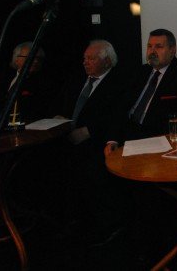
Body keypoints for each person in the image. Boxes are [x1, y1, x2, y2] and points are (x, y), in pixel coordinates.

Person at [55, 40, 129, 245]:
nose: (85, 62)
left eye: (91, 58)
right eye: (85, 58)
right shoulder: (76, 79)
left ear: (107, 61)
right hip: (67, 139)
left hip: (98, 142)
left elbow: (118, 116)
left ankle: (106, 227)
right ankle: (72, 223)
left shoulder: (119, 83)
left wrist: (90, 131)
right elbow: (63, 104)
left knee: (94, 177)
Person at [105, 28, 177, 151]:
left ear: (172, 50)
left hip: (158, 142)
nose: (152, 51)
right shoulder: (139, 72)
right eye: (149, 46)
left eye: (159, 47)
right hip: (126, 138)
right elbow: (121, 107)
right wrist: (113, 139)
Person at [0, 41, 54, 123]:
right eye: (31, 57)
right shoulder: (5, 77)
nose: (36, 61)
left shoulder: (44, 83)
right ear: (17, 59)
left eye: (39, 59)